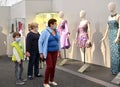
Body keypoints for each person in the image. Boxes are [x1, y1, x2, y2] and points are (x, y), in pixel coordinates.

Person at [38, 18, 61, 87]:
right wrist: (41, 52)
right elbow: (40, 42)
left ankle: (51, 80)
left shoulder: (57, 31)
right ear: (51, 24)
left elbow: (58, 42)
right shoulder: (45, 31)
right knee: (49, 66)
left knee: (53, 67)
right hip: (48, 52)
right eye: (55, 24)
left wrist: (59, 51)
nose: (56, 25)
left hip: (55, 51)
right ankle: (45, 82)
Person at [102, 2, 120, 75]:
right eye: (108, 6)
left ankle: (118, 71)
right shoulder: (109, 17)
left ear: (114, 7)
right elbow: (107, 28)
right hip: (111, 36)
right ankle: (114, 70)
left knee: (117, 53)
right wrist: (104, 36)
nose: (109, 8)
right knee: (112, 53)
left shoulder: (118, 16)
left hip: (116, 35)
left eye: (110, 6)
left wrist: (118, 37)